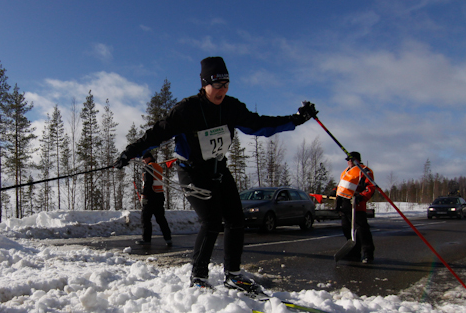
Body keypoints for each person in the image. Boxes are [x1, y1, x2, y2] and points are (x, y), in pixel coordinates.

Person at [114, 56, 317, 293]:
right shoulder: (186, 110)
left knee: (235, 220)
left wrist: (296, 120)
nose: (222, 90)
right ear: (205, 84)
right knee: (211, 221)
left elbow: (259, 124)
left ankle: (233, 274)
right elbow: (156, 134)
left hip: (218, 170)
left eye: (226, 84)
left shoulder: (231, 107)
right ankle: (198, 276)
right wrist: (130, 152)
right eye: (217, 85)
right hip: (192, 172)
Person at [335, 151, 376, 263]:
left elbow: (370, 187)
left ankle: (368, 254)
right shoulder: (345, 172)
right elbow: (342, 187)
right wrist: (335, 191)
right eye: (347, 160)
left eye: (350, 159)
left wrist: (361, 197)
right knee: (347, 230)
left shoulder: (364, 170)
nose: (348, 161)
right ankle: (354, 253)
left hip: (356, 206)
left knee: (362, 231)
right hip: (345, 206)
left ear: (356, 160)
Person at [136, 151, 173, 247]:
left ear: (148, 158)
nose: (143, 161)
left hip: (150, 196)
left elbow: (148, 182)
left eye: (144, 159)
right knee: (161, 219)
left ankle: (146, 240)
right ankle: (168, 239)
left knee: (145, 219)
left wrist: (144, 195)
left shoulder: (148, 167)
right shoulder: (158, 167)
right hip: (159, 196)